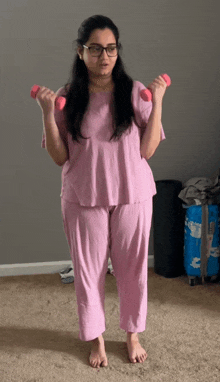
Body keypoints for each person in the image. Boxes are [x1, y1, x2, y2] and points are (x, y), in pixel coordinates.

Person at [37, 15, 167, 369]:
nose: (104, 56)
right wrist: (48, 114)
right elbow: (59, 156)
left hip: (133, 194)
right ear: (81, 52)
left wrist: (157, 101)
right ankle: (96, 338)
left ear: (117, 51)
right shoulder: (67, 97)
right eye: (95, 49)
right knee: (88, 270)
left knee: (133, 269)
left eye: (110, 48)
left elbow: (148, 149)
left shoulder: (132, 90)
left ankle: (132, 334)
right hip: (83, 196)